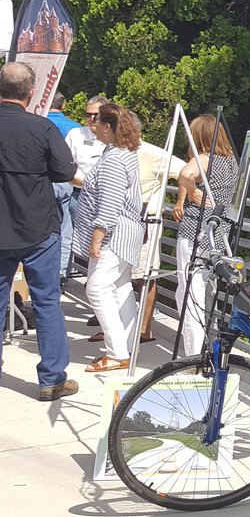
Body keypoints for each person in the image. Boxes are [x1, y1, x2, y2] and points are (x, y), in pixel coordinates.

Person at [0, 62, 78, 401]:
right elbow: (64, 172)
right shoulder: (42, 128)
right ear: (32, 94)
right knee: (46, 302)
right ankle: (51, 379)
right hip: (39, 229)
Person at [74, 103, 144, 372]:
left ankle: (117, 352)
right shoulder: (122, 153)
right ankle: (126, 345)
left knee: (97, 288)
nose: (94, 127)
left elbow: (110, 206)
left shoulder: (114, 160)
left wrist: (96, 239)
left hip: (114, 237)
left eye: (97, 123)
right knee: (120, 288)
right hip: (126, 235)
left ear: (107, 127)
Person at [172, 113, 238, 356]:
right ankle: (199, 346)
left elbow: (184, 174)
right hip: (218, 232)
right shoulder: (232, 162)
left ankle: (192, 355)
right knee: (201, 292)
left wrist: (192, 193)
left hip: (195, 229)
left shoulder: (204, 158)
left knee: (190, 293)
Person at [130, 113, 185, 344]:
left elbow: (185, 170)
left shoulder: (152, 153)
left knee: (145, 277)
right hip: (123, 221)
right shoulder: (114, 151)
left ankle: (145, 329)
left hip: (146, 221)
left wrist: (182, 200)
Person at [64, 95, 109, 281]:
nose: (91, 119)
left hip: (103, 197)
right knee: (68, 236)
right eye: (88, 115)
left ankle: (95, 284)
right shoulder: (76, 134)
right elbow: (65, 165)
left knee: (101, 243)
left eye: (96, 115)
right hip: (77, 193)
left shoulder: (112, 137)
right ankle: (62, 277)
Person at [48, 92, 81, 283]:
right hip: (66, 182)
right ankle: (61, 274)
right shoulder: (75, 129)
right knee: (65, 229)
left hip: (41, 183)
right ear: (64, 105)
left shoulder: (37, 121)